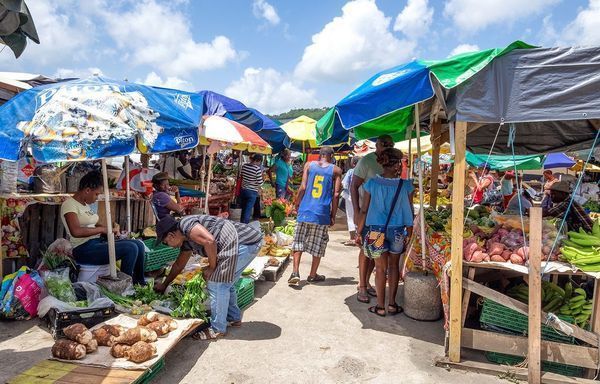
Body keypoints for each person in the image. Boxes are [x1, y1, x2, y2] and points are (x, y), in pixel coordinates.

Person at [154, 214, 262, 339]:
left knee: (216, 283)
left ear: (171, 235)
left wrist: (212, 268)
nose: (169, 246)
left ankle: (217, 329)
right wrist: (164, 284)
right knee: (226, 283)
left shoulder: (186, 225)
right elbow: (179, 265)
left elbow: (210, 241)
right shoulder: (186, 241)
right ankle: (233, 318)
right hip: (247, 243)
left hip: (245, 243)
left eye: (166, 242)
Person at [356, 148, 414, 316]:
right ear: (397, 164)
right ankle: (392, 304)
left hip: (375, 231)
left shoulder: (372, 183)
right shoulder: (406, 185)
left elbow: (364, 210)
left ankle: (380, 307)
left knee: (380, 269)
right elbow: (409, 211)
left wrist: (359, 231)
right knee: (394, 267)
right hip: (397, 230)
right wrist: (409, 233)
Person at [60, 170, 146, 284]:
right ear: (87, 190)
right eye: (96, 194)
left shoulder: (85, 205)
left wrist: (110, 229)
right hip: (83, 249)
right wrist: (102, 229)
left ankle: (140, 283)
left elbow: (94, 224)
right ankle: (125, 286)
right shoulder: (69, 204)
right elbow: (76, 231)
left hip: (96, 243)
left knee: (139, 244)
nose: (97, 198)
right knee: (130, 248)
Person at [287, 146, 342, 286]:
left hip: (305, 210)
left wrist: (296, 203)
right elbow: (336, 194)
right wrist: (333, 215)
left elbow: (303, 187)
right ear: (331, 156)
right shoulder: (336, 170)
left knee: (298, 241)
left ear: (320, 155)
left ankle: (295, 272)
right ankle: (312, 275)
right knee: (318, 244)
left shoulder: (309, 165)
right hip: (322, 213)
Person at [351, 134, 394, 303]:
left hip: (383, 216)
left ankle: (367, 283)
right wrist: (356, 210)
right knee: (365, 250)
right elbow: (354, 186)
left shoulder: (390, 162)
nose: (387, 147)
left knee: (374, 251)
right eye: (385, 144)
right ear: (377, 145)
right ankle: (361, 286)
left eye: (390, 144)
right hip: (367, 214)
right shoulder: (367, 161)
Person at [239, 154, 264, 224]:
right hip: (252, 191)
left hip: (243, 190)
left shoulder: (244, 166)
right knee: (248, 209)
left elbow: (242, 175)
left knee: (243, 208)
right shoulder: (257, 169)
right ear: (258, 160)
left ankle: (241, 222)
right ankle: (245, 224)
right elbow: (260, 183)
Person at [341, 156, 360, 245]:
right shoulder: (363, 172)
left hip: (350, 197)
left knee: (350, 216)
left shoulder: (350, 171)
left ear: (353, 163)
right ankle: (359, 237)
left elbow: (344, 184)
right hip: (361, 197)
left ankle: (352, 238)